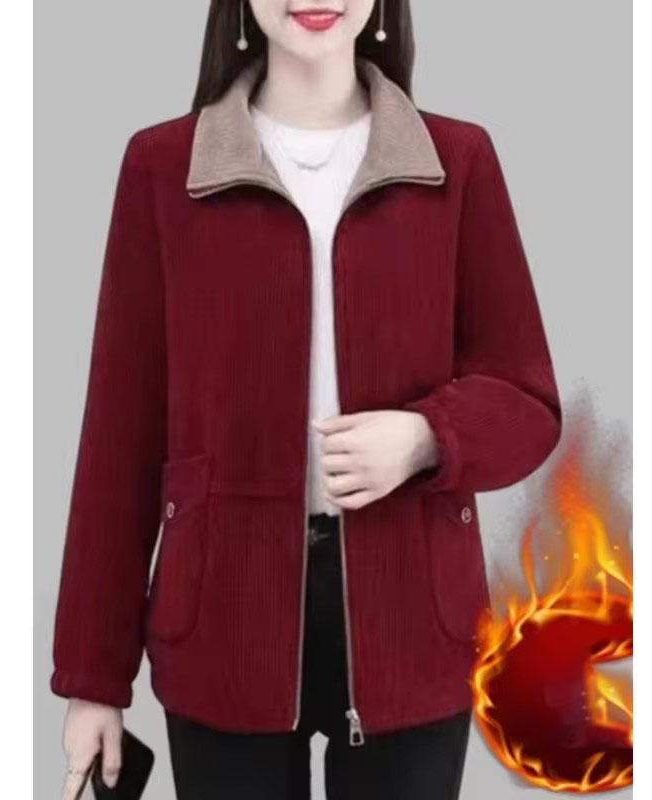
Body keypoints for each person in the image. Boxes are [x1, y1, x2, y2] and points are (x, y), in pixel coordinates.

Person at [51, 1, 562, 798]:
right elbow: (120, 432)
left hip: (412, 628)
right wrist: (93, 680)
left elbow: (527, 399)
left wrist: (426, 437)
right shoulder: (164, 167)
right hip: (222, 624)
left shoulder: (457, 161)